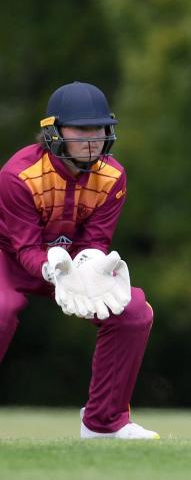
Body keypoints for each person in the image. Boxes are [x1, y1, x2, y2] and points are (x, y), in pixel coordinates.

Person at [0, 81, 159, 439]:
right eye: (81, 130)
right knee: (1, 309)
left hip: (71, 264)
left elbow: (96, 240)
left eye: (99, 129)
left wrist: (88, 267)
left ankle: (104, 424)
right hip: (9, 259)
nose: (93, 138)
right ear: (54, 132)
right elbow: (24, 248)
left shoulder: (113, 176)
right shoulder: (17, 176)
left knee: (133, 311)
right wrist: (51, 268)